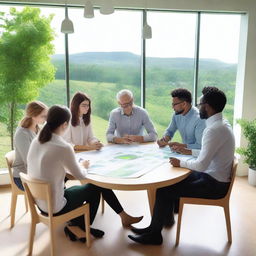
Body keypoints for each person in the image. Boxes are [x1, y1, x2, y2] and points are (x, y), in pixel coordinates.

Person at [128, 86, 235, 245]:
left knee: (164, 190)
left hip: (214, 184)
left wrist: (181, 162)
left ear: (207, 106)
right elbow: (208, 153)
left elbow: (201, 165)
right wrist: (188, 150)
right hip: (213, 176)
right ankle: (154, 227)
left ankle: (155, 234)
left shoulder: (212, 130)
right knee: (168, 184)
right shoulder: (222, 124)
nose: (198, 108)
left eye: (200, 104)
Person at [27, 106, 142, 242]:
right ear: (65, 124)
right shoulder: (63, 147)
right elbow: (81, 176)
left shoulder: (37, 140)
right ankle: (81, 226)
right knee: (95, 187)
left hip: (40, 203)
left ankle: (81, 225)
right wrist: (84, 165)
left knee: (81, 189)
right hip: (56, 206)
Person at [157, 88, 205, 156]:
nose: (172, 107)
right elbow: (170, 131)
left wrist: (181, 145)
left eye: (174, 105)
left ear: (184, 104)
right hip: (183, 154)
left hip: (196, 156)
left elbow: (200, 146)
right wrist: (165, 139)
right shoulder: (177, 114)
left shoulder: (200, 119)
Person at [13, 101, 48, 191]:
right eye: (43, 116)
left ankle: (56, 203)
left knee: (59, 181)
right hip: (23, 177)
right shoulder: (22, 134)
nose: (46, 118)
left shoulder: (38, 128)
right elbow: (30, 161)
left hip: (35, 172)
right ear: (33, 116)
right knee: (54, 186)